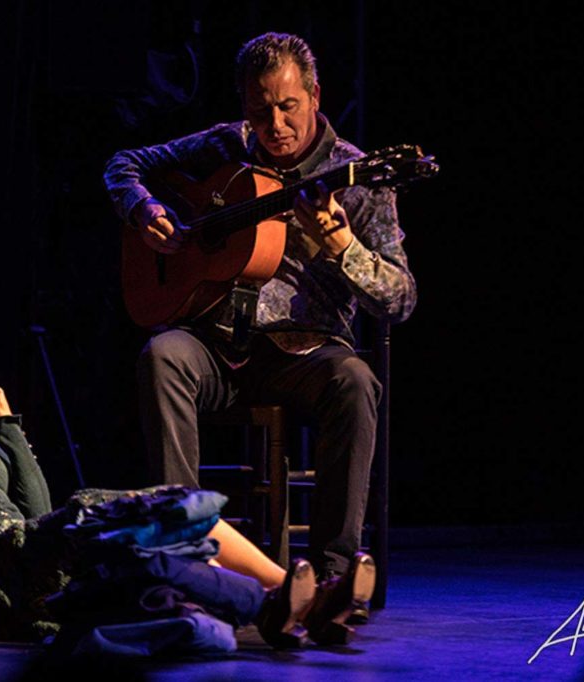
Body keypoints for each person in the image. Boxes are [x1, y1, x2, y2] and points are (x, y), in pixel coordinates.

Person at [0, 310, 375, 648]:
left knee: (161, 519)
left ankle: (299, 596)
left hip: (27, 547)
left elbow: (34, 508)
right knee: (134, 518)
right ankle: (292, 599)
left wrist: (8, 425)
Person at [104, 32, 416, 597]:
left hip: (304, 351)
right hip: (215, 344)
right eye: (259, 109)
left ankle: (333, 576)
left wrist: (346, 252)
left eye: (287, 106)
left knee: (355, 380)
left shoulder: (361, 177)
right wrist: (142, 206)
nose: (273, 124)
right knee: (162, 355)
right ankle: (184, 553)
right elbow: (123, 164)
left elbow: (400, 298)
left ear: (315, 95)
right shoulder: (228, 144)